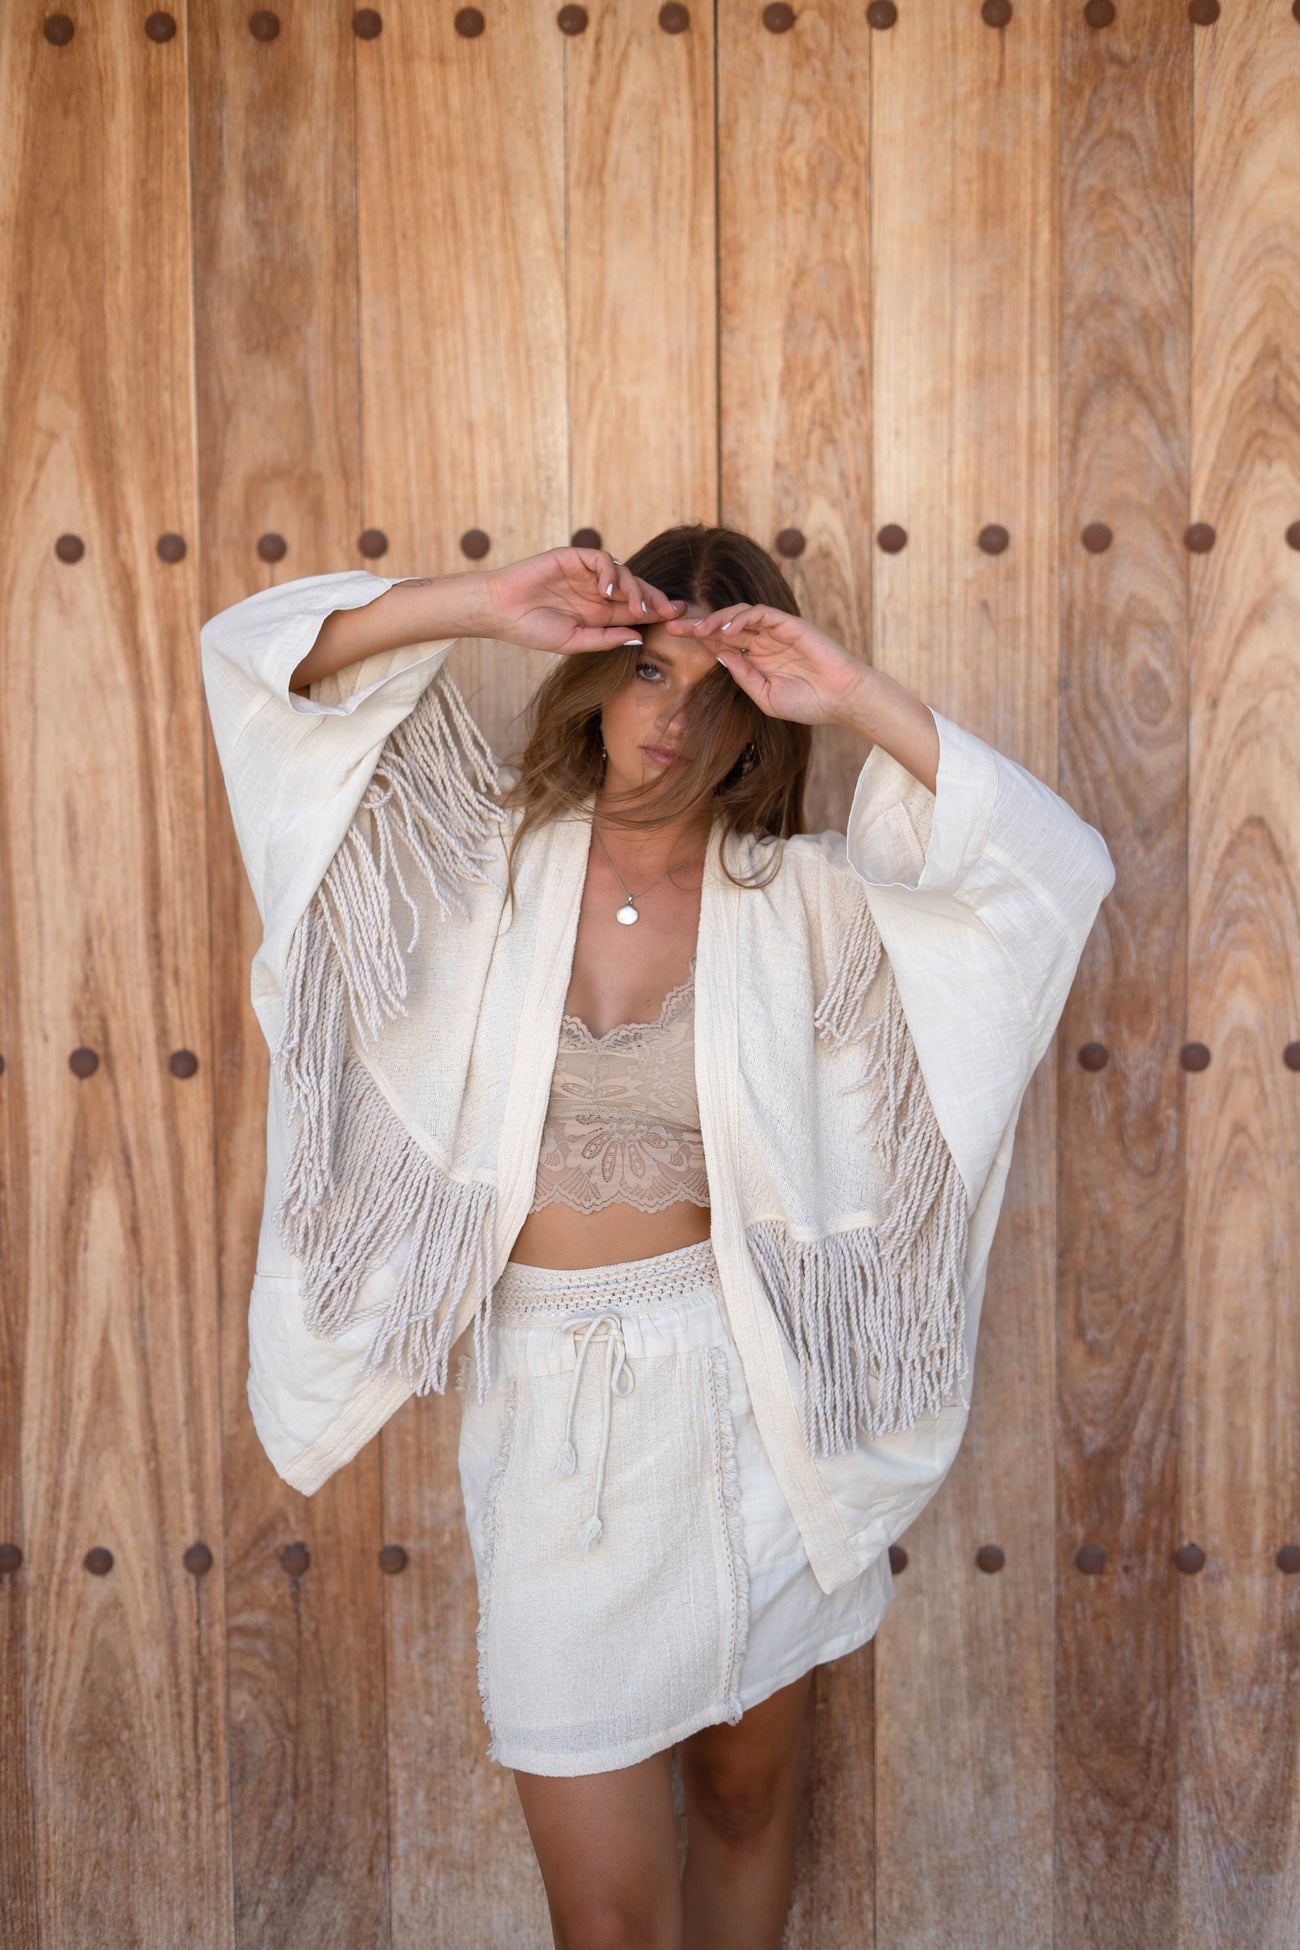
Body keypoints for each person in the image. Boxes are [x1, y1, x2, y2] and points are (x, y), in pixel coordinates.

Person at [200, 523, 1115, 1949]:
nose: (672, 716)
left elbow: (1052, 871)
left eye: (714, 685)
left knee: (746, 1808)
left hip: (758, 1412)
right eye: (645, 668)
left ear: (760, 716)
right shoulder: (473, 865)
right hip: (556, 1430)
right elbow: (257, 668)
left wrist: (852, 693)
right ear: (592, 673)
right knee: (611, 1920)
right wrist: (484, 605)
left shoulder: (808, 902)